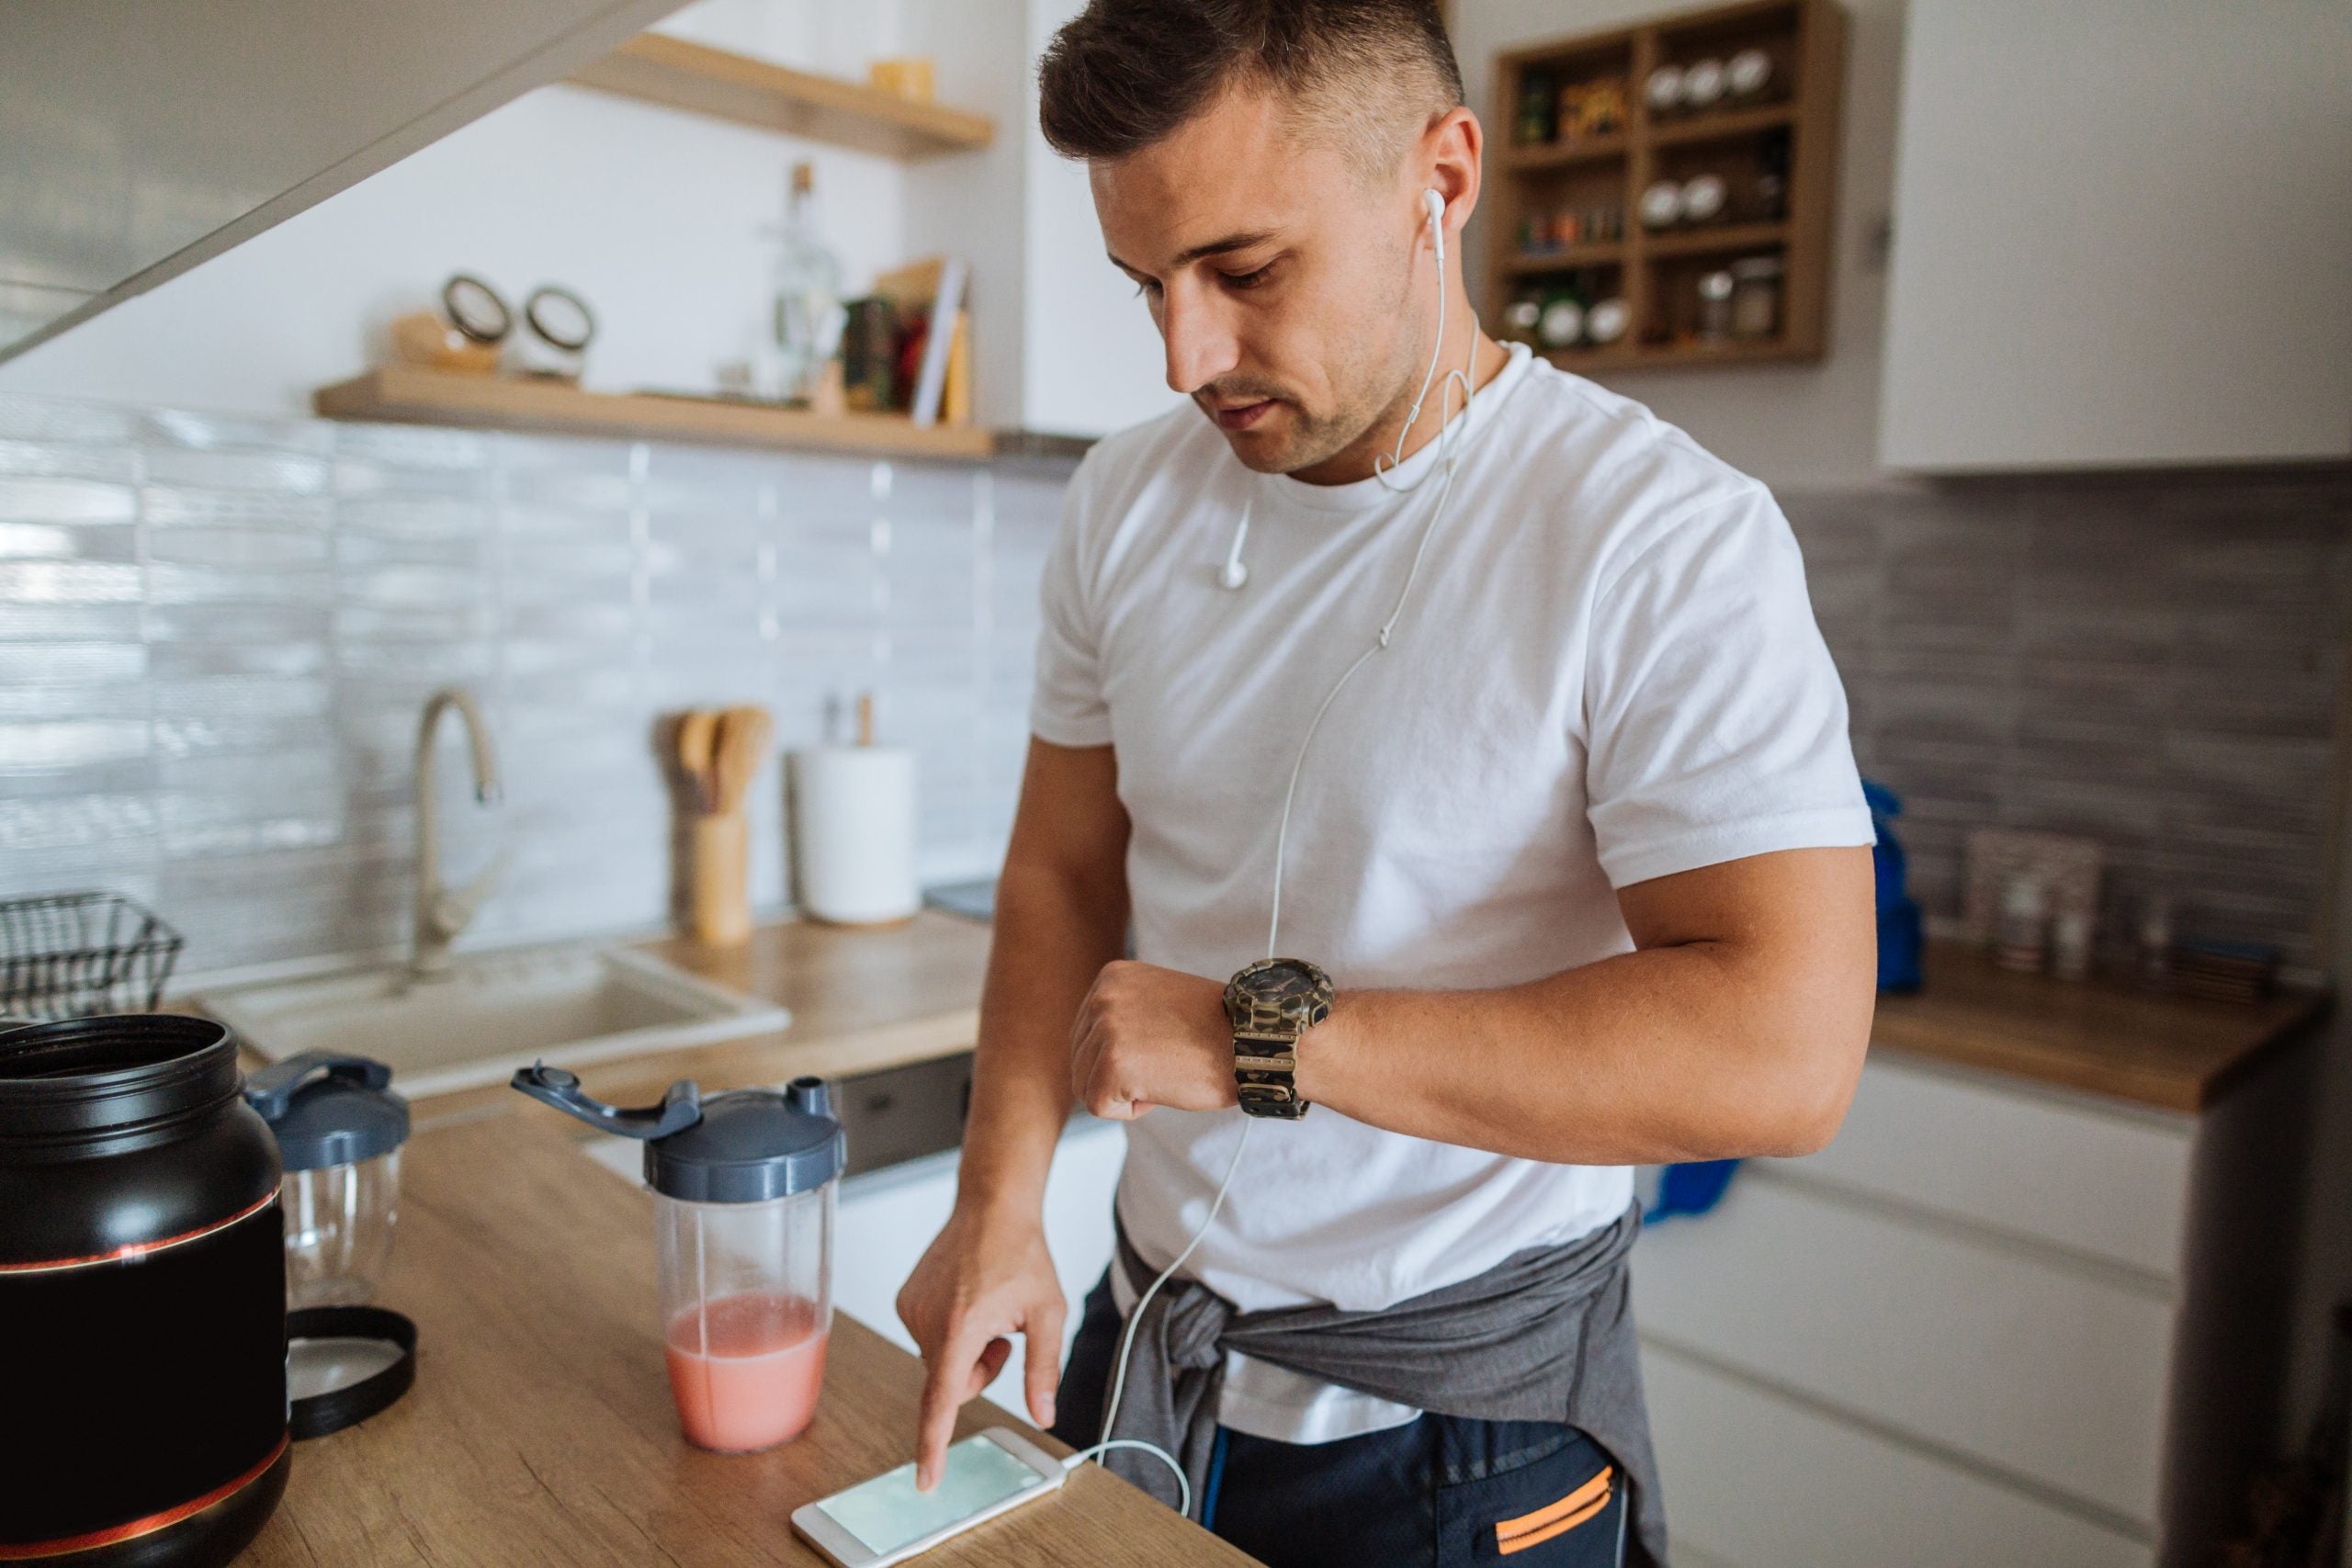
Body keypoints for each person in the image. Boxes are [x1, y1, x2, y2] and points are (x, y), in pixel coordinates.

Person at [896, 3, 1878, 1563]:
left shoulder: (1660, 538)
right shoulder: (1122, 503)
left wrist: (1258, 1040)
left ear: (1444, 174)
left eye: (1245, 269)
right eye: (1147, 284)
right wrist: (999, 1204)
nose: (1184, 354)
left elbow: (1788, 1052)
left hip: (1455, 1443)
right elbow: (1063, 873)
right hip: (1143, 1354)